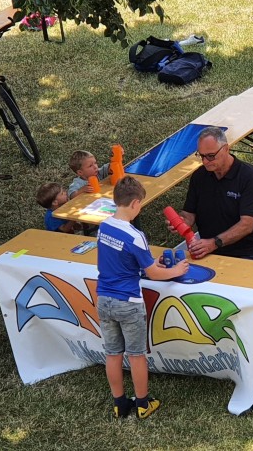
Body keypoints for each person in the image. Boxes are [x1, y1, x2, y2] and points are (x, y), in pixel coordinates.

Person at [97, 176, 189, 419]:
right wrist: (175, 271)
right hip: (128, 302)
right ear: (136, 203)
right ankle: (142, 403)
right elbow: (153, 273)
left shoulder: (104, 227)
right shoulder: (135, 235)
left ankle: (119, 403)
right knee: (136, 355)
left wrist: (147, 263)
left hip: (104, 299)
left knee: (113, 353)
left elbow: (121, 261)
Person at [168, 126, 253, 261]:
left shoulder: (249, 177)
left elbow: (246, 225)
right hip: (209, 250)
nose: (205, 162)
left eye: (211, 156)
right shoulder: (199, 176)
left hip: (248, 251)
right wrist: (181, 222)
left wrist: (213, 243)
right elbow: (189, 213)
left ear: (226, 149)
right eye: (201, 156)